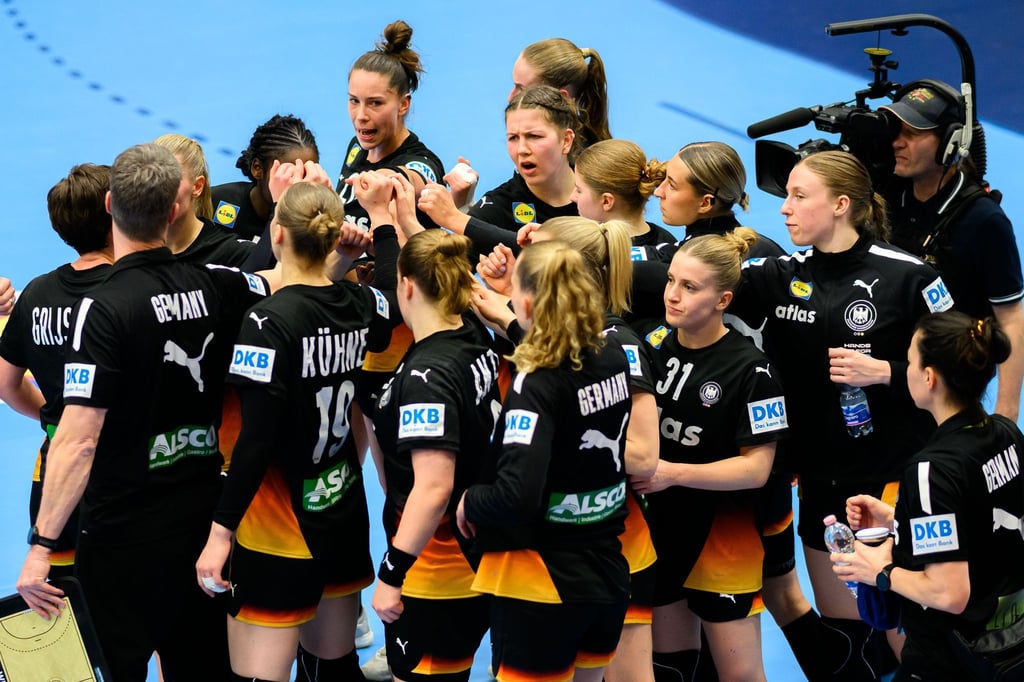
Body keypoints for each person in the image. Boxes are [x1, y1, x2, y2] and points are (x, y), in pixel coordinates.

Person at [14, 143, 272, 682]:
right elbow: (273, 282)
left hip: (123, 532)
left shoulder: (104, 309)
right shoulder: (213, 283)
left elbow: (79, 440)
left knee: (115, 666)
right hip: (201, 520)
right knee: (201, 666)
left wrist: (41, 547)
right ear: (176, 210)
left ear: (110, 206)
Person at [730, 150, 955, 679]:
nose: (784, 208)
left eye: (798, 196)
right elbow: (684, 281)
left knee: (911, 631)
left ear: (841, 205)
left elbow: (968, 363)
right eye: (785, 194)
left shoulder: (910, 278)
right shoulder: (780, 275)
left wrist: (886, 374)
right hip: (821, 486)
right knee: (850, 631)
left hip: (894, 481)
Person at [194, 181, 397, 682]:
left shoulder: (266, 322)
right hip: (341, 504)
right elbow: (391, 297)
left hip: (277, 523)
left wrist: (220, 534)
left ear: (276, 233)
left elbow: (256, 441)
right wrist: (382, 227)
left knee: (257, 675)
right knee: (334, 666)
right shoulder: (359, 302)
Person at [474, 216, 660, 682]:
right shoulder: (612, 353)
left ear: (531, 301)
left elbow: (516, 495)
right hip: (606, 568)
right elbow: (567, 363)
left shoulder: (536, 384)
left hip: (543, 579)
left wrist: (470, 501)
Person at [833, 311, 1024, 680]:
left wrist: (881, 571)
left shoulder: (930, 469)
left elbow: (949, 594)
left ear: (929, 377)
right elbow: (983, 516)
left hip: (952, 660)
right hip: (1010, 644)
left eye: (910, 359)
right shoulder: (1005, 433)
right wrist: (899, 519)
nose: (905, 368)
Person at [632, 230, 786, 682]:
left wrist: (673, 473)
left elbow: (757, 469)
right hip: (659, 529)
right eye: (672, 281)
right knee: (672, 666)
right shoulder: (652, 343)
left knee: (739, 673)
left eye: (690, 287)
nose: (673, 296)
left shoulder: (751, 370)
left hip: (723, 535)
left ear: (723, 300)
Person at [368, 229, 500, 682]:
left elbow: (434, 486)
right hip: (473, 550)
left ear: (406, 287)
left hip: (435, 566)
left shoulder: (428, 376)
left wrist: (391, 574)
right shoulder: (471, 331)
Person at [880, 81, 1024, 422]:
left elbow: (1011, 319)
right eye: (895, 130)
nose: (897, 142)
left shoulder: (984, 220)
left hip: (943, 388)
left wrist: (1006, 411)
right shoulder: (885, 194)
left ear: (950, 143)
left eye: (912, 133)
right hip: (885, 369)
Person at [0, 163, 113, 578]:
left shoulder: (37, 293)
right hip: (124, 477)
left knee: (66, 604)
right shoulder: (129, 291)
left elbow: (6, 385)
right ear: (114, 211)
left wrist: (59, 418)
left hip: (54, 477)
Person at [417, 85, 579, 258]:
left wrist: (455, 218)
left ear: (566, 140)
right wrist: (404, 222)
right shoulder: (498, 207)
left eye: (534, 136)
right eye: (513, 138)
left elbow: (579, 255)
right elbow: (443, 273)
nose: (521, 149)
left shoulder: (600, 188)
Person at [336, 19, 444, 232]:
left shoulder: (423, 163)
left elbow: (412, 178)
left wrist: (385, 178)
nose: (360, 116)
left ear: (403, 104)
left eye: (375, 103)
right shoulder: (357, 147)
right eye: (354, 100)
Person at [211, 114, 320, 240]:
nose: (299, 183)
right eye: (289, 173)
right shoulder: (214, 203)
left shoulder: (317, 225)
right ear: (257, 168)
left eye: (308, 174)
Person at [154, 134, 255, 267]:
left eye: (171, 178)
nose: (157, 188)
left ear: (197, 186)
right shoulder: (128, 236)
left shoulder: (232, 253)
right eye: (151, 176)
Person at [571, 139, 675, 249]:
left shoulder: (586, 251)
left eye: (579, 190)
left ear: (607, 201)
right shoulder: (668, 244)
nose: (572, 197)